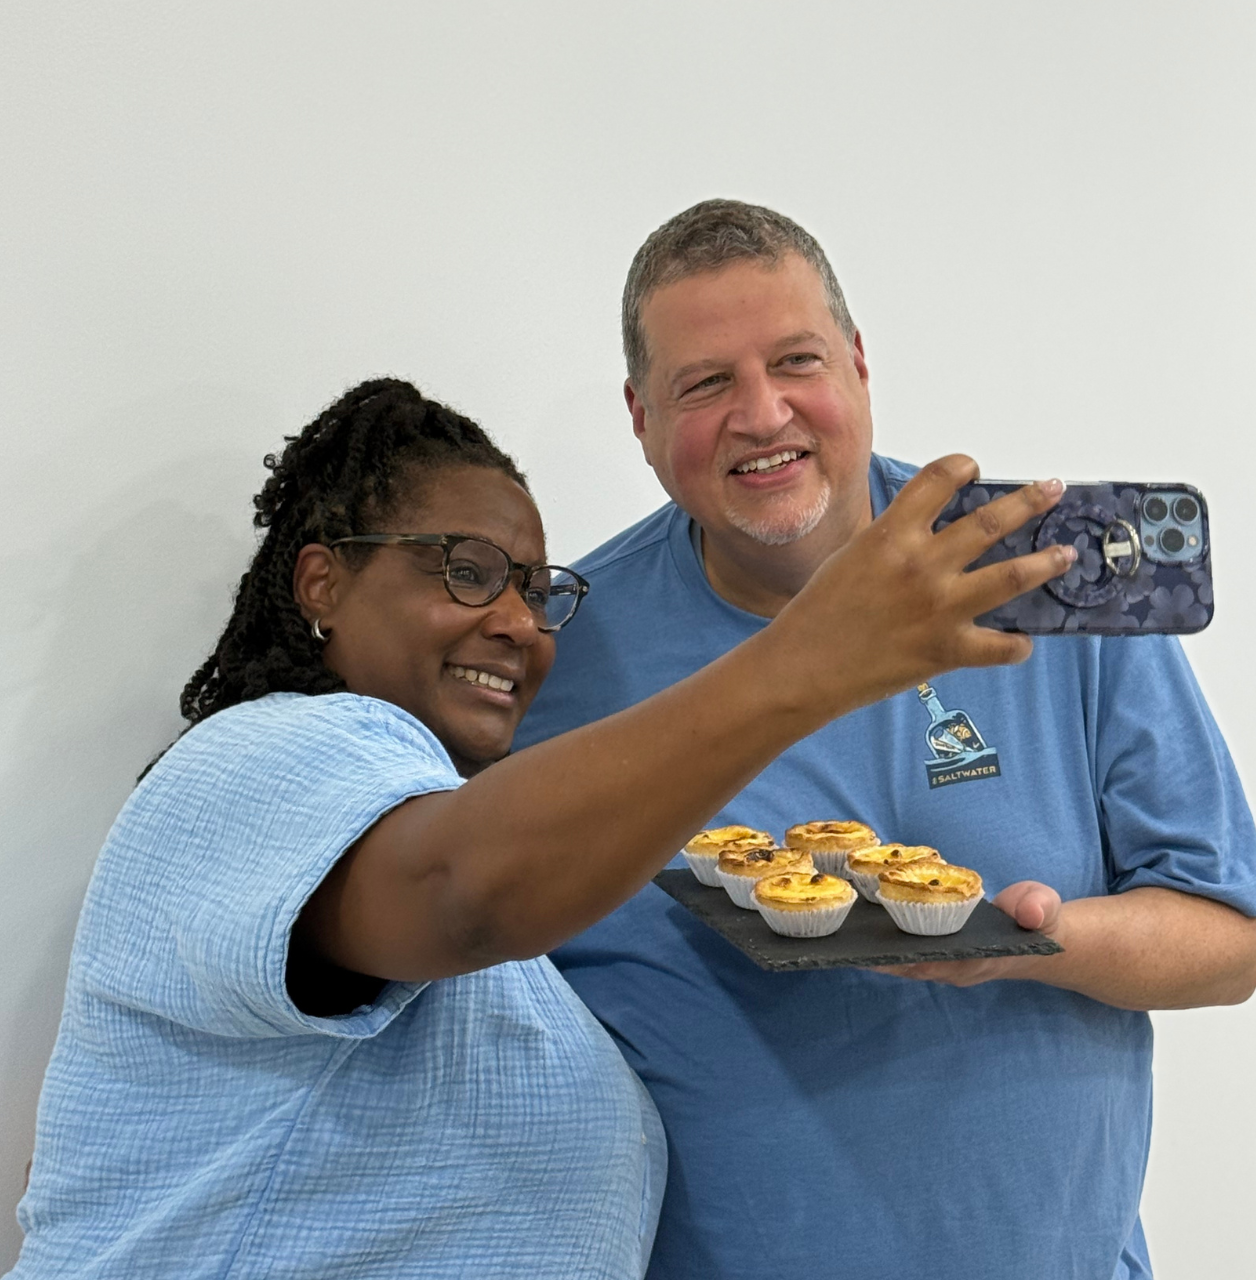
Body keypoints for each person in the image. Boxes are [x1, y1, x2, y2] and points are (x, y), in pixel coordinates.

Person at [7, 378, 1073, 1279]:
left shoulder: (444, 829)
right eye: (464, 569)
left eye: (535, 587)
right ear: (323, 581)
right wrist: (802, 665)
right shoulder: (262, 758)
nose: (516, 617)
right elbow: (458, 893)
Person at [516, 200, 1256, 1280]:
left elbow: (1229, 938)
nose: (761, 413)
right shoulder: (556, 649)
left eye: (795, 359)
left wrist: (1029, 940)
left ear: (858, 363)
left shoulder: (1044, 581)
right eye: (704, 383)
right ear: (639, 415)